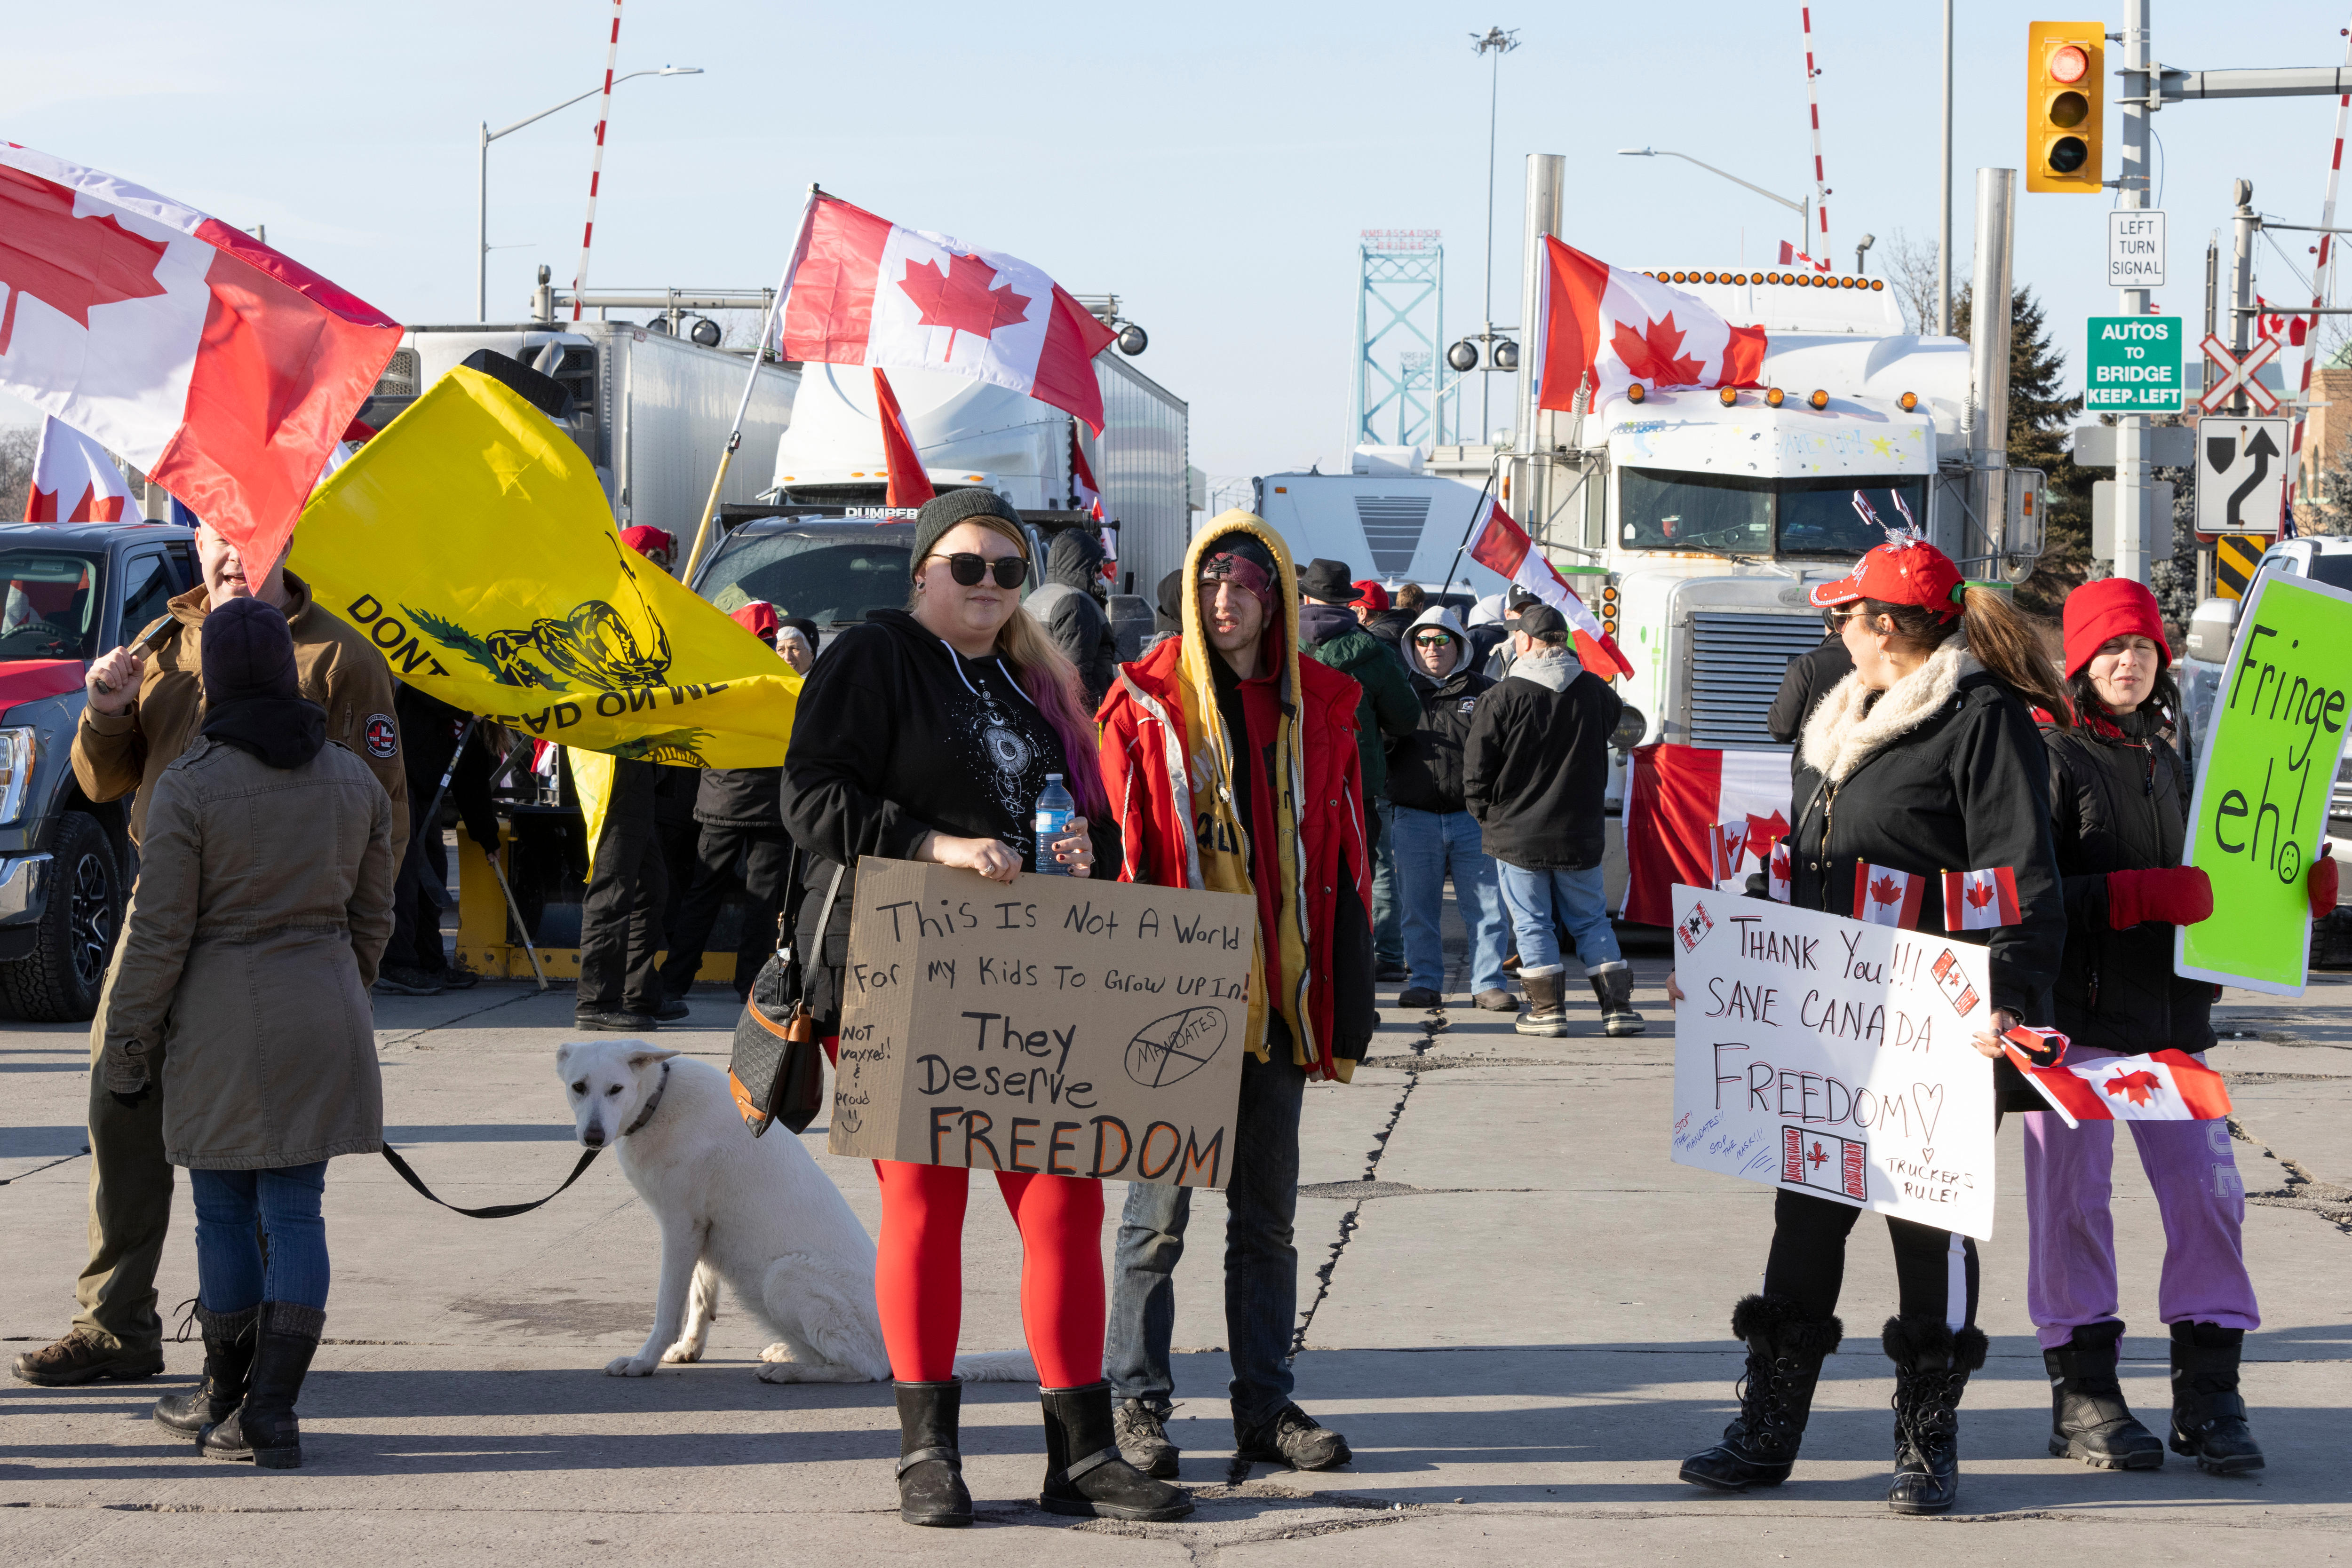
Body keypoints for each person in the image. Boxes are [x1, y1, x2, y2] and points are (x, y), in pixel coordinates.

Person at [782, 487, 1186, 1528]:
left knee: (1065, 1205)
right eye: (968, 565)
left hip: (1032, 970)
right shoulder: (874, 655)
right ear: (923, 569)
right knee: (926, 1202)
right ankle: (928, 1452)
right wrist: (935, 844)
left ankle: (1082, 1453)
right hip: (900, 957)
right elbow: (811, 798)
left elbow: (1087, 814)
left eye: (1008, 570)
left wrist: (1085, 844)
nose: (990, 584)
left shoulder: (1035, 678)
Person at [1674, 535, 2071, 1515]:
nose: (1836, 627)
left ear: (1886, 626)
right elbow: (1810, 863)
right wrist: (1735, 952)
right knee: (1805, 1218)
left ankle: (1926, 1440)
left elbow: (2018, 870)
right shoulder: (1837, 715)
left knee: (1927, 1226)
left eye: (1845, 613)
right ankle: (1768, 1429)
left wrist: (2008, 993)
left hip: (1936, 1021)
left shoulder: (1980, 717)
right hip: (1829, 1019)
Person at [12, 521, 405, 1392]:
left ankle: (255, 1351)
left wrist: (352, 969)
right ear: (196, 544)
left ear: (289, 537)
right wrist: (106, 711)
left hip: (277, 937)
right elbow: (105, 780)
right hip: (158, 919)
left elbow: (382, 821)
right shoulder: (160, 643)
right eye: (218, 538)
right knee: (122, 1111)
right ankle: (116, 1323)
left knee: (261, 1150)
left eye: (251, 537)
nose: (232, 556)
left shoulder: (342, 657)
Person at [1097, 517, 1375, 1481]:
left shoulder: (1321, 705)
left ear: (1277, 597)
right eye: (1210, 584)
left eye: (1246, 584)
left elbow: (1346, 852)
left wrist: (1345, 988)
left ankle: (1264, 1406)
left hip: (1280, 995)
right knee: (1154, 1222)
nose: (1225, 601)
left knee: (1266, 1221)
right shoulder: (1145, 703)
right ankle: (1135, 1402)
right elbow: (1113, 841)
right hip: (1174, 995)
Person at [95, 597, 397, 1469]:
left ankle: (228, 1396)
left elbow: (158, 936)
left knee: (222, 1211)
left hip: (221, 1020)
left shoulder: (191, 784)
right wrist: (342, 989)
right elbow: (375, 916)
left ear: (216, 680)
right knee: (298, 1210)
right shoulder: (353, 779)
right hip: (326, 1005)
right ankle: (272, 1411)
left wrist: (128, 1045)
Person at [2029, 578, 2316, 1475]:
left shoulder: (2176, 759)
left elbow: (2231, 880)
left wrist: (2296, 902)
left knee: (2210, 1194)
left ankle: (2209, 1394)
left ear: (2163, 660)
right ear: (2081, 660)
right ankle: (2084, 1392)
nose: (2129, 662)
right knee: (2073, 1201)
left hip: (2170, 1028)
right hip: (2070, 1026)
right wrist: (2132, 895)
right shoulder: (2049, 755)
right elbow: (2023, 894)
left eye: (2144, 647)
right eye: (2111, 647)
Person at [1462, 603, 1642, 1038]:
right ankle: (1617, 1009)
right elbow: (1612, 727)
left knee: (1532, 922)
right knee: (1592, 921)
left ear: (1524, 641)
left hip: (1517, 833)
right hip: (1579, 831)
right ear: (1564, 642)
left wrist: (1487, 816)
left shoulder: (1502, 696)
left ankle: (1547, 1012)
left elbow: (1477, 771)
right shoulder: (1598, 693)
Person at [659, 603, 800, 1005]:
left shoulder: (717, 679)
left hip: (720, 803)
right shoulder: (785, 682)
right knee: (763, 901)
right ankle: (751, 985)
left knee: (702, 895)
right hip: (771, 808)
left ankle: (675, 979)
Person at [1386, 605, 1511, 1013]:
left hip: (1473, 820)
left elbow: (1505, 750)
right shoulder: (1399, 691)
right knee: (1418, 909)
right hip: (1413, 818)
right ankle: (1423, 982)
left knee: (1488, 908)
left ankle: (1488, 983)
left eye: (1441, 639)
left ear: (1459, 644)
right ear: (1412, 646)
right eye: (1423, 640)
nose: (1432, 648)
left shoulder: (1487, 691)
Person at [1297, 558, 1416, 980]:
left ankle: (1305, 963)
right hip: (1358, 784)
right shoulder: (1373, 653)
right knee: (1370, 871)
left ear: (1306, 599)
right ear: (1349, 604)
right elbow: (1406, 718)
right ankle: (1381, 957)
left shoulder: (1279, 647)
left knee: (1299, 871)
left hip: (1294, 782)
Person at [379, 684, 497, 996]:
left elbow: (472, 779)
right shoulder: (422, 687)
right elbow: (423, 688)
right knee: (404, 874)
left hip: (426, 793)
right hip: (397, 781)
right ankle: (395, 961)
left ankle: (429, 960)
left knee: (433, 868)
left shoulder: (475, 718)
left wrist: (488, 837)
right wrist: (463, 706)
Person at [1028, 529, 1119, 709]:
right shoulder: (1076, 604)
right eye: (1097, 569)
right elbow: (1076, 681)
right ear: (1082, 567)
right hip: (1078, 716)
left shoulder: (1035, 597)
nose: (1101, 576)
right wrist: (1097, 717)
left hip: (1042, 708)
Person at [1766, 617, 1858, 744]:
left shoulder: (1807, 664)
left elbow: (1781, 730)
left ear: (1829, 624)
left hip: (1815, 755)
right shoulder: (1878, 657)